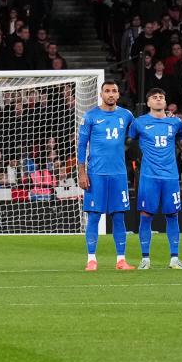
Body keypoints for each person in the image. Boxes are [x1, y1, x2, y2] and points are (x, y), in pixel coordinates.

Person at [74, 79, 135, 271]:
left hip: (118, 174)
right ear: (101, 94)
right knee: (94, 216)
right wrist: (81, 172)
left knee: (119, 216)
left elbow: (139, 133)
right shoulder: (91, 116)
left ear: (118, 94)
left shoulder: (126, 115)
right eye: (107, 90)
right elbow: (82, 145)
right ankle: (91, 260)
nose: (110, 94)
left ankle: (121, 260)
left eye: (114, 91)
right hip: (96, 174)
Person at [129, 90, 182, 268]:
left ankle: (174, 259)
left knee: (173, 215)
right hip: (149, 177)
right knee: (146, 215)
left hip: (170, 177)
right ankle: (145, 259)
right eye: (154, 97)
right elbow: (128, 144)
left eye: (161, 97)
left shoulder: (175, 122)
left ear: (165, 101)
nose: (159, 99)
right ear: (148, 103)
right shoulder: (139, 123)